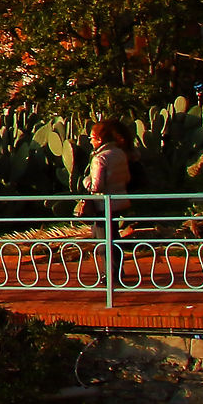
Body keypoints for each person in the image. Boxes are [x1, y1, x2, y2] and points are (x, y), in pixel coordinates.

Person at [75, 120, 134, 282]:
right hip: (119, 200)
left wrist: (85, 181)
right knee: (113, 236)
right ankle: (117, 270)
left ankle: (111, 274)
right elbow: (127, 177)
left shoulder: (99, 158)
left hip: (103, 204)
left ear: (100, 140)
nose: (90, 141)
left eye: (92, 138)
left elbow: (96, 186)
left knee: (104, 241)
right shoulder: (119, 153)